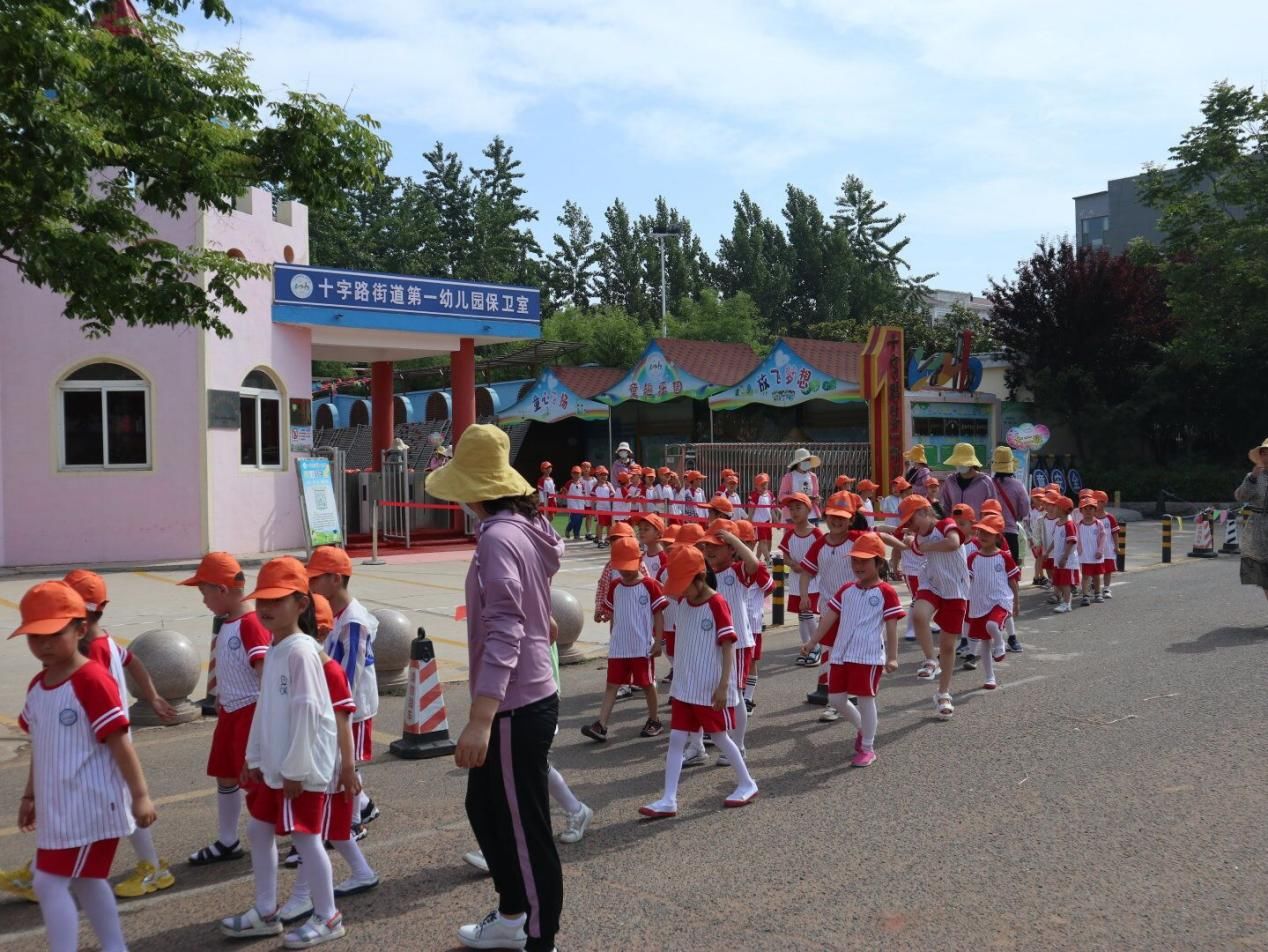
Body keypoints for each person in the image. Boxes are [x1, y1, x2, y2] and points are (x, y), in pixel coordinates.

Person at [424, 423, 565, 952]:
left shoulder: (500, 538)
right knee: (485, 808)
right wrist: (542, 616)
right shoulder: (522, 527)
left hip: (514, 703)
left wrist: (481, 718)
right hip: (527, 691)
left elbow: (505, 623)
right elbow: (534, 592)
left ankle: (537, 936)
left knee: (526, 832)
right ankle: (511, 914)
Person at [15, 580, 157, 952]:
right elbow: (40, 744)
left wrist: (140, 796)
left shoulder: (92, 680)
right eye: (34, 636)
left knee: (47, 882)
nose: (43, 644)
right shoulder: (38, 685)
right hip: (60, 807)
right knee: (86, 880)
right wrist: (30, 794)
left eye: (52, 634)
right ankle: (114, 947)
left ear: (80, 629)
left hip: (90, 805)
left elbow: (120, 743)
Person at [220, 557, 343, 947]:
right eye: (262, 601)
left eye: (277, 600)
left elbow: (308, 712)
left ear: (301, 604)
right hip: (277, 766)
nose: (266, 609)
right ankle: (267, 910)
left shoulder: (300, 651)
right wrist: (253, 758)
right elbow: (265, 709)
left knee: (306, 838)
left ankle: (328, 917)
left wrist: (295, 768)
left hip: (299, 769)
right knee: (258, 830)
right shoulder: (276, 650)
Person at [62, 570, 176, 900]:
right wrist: (152, 695)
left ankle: (153, 867)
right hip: (110, 739)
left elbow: (92, 695)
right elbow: (134, 661)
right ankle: (48, 867)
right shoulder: (106, 641)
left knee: (116, 806)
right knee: (108, 805)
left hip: (105, 743)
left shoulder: (92, 651)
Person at [277, 592, 378, 925]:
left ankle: (304, 898)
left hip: (329, 764)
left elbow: (342, 722)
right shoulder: (310, 664)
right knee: (330, 830)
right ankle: (362, 872)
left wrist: (348, 769)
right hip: (327, 762)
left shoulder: (328, 671)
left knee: (312, 832)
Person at [639, 546, 759, 818]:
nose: (680, 591)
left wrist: (723, 685)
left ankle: (747, 782)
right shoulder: (683, 604)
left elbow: (728, 646)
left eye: (684, 584)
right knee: (677, 740)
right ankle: (668, 798)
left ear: (699, 577)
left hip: (708, 687)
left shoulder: (717, 604)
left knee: (720, 738)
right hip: (684, 685)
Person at [179, 552, 270, 867]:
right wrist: (220, 696)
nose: (203, 600)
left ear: (222, 589)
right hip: (231, 713)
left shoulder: (251, 624)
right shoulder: (228, 624)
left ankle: (281, 837)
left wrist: (260, 731)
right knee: (225, 775)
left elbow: (265, 677)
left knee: (258, 782)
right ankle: (228, 840)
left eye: (204, 592)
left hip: (250, 714)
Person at [799, 533, 903, 766]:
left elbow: (892, 626)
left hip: (868, 656)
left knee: (866, 700)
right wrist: (813, 641)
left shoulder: (886, 592)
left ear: (879, 562)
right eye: (855, 560)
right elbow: (828, 619)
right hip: (841, 654)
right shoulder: (846, 589)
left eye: (864, 561)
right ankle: (862, 728)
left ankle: (868, 747)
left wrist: (893, 657)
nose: (858, 566)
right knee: (836, 699)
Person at [306, 546, 380, 847]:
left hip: (352, 707)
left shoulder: (353, 621)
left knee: (342, 764)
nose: (310, 585)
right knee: (340, 761)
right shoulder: (334, 615)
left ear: (335, 579)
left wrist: (336, 705)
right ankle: (363, 806)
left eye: (316, 578)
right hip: (339, 705)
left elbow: (351, 673)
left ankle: (352, 824)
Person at [878, 495, 968, 719]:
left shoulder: (946, 524)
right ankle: (930, 659)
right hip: (932, 583)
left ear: (926, 511)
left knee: (948, 646)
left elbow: (954, 543)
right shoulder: (917, 536)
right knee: (918, 614)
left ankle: (943, 693)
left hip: (956, 589)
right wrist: (884, 534)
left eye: (912, 520)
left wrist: (924, 546)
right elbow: (902, 542)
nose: (910, 526)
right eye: (906, 523)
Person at [582, 537, 666, 742]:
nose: (625, 572)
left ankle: (654, 719)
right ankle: (601, 724)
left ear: (639, 561)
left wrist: (658, 640)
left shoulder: (650, 585)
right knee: (612, 684)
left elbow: (658, 614)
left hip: (640, 647)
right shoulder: (616, 586)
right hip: (619, 647)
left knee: (647, 684)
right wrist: (603, 615)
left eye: (629, 566)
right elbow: (612, 611)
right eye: (621, 568)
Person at [698, 519, 764, 759]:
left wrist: (734, 539)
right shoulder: (706, 574)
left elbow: (754, 563)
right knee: (712, 690)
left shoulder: (737, 571)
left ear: (731, 549)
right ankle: (711, 741)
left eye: (717, 545)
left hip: (737, 643)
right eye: (708, 546)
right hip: (712, 642)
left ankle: (739, 746)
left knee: (734, 694)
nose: (711, 550)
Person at [798, 493, 864, 722]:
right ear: (826, 516)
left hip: (856, 606)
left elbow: (878, 548)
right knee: (829, 652)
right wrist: (805, 594)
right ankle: (832, 700)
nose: (837, 521)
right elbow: (806, 571)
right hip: (828, 607)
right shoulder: (820, 543)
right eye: (833, 516)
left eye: (842, 518)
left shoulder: (857, 539)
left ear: (851, 520)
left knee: (851, 651)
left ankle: (853, 693)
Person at [965, 515, 1020, 690]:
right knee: (984, 642)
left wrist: (1016, 603)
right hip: (979, 603)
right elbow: (966, 581)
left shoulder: (1004, 557)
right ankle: (990, 677)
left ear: (998, 536)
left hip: (1001, 600)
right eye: (980, 531)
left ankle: (1000, 642)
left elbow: (1013, 581)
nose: (982, 535)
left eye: (988, 533)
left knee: (991, 626)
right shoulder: (972, 558)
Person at [779, 493, 825, 664]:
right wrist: (793, 564)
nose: (794, 512)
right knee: (802, 615)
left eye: (798, 508)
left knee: (808, 613)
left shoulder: (816, 533)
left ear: (809, 509)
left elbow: (823, 554)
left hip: (813, 581)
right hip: (796, 581)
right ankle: (806, 648)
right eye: (791, 509)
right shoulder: (789, 535)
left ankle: (815, 647)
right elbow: (785, 556)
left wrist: (810, 567)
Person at [989, 446, 1031, 563]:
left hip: (989, 532)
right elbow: (1024, 511)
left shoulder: (987, 484)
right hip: (1010, 533)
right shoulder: (1018, 486)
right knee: (1010, 571)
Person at [938, 443, 1000, 516]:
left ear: (972, 463)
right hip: (955, 526)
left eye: (964, 462)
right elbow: (945, 507)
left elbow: (993, 510)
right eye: (958, 462)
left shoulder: (986, 482)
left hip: (978, 526)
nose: (960, 464)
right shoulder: (950, 481)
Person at [1050, 495, 1080, 613]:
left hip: (1067, 560)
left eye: (1056, 507)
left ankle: (1067, 604)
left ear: (1062, 509)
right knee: (1060, 582)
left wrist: (1065, 557)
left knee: (1065, 583)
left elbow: (1071, 541)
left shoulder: (1069, 524)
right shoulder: (1058, 523)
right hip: (1058, 559)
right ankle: (1065, 601)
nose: (1054, 510)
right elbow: (1055, 540)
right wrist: (1047, 552)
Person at [1077, 499, 1107, 605]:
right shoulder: (1078, 525)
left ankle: (1098, 593)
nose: (1088, 511)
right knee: (1085, 576)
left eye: (1091, 508)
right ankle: (1085, 595)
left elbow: (1103, 537)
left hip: (1096, 556)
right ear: (1081, 511)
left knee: (1096, 576)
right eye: (1085, 509)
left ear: (1095, 510)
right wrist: (1078, 551)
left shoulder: (1099, 524)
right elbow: (1077, 540)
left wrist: (1100, 550)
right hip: (1084, 556)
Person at [780, 448, 822, 521]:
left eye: (808, 460)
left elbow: (816, 494)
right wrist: (796, 497)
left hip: (811, 515)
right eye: (804, 460)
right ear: (798, 462)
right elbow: (781, 497)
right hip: (793, 516)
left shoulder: (813, 477)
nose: (807, 462)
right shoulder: (789, 477)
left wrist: (816, 498)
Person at [1093, 490, 1119, 599]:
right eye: (1096, 501)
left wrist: (1117, 546)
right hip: (1094, 549)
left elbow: (1115, 532)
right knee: (1095, 569)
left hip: (1108, 548)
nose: (1098, 504)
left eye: (1100, 501)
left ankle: (1107, 588)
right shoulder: (1090, 518)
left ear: (1105, 503)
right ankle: (1095, 587)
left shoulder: (1110, 518)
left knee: (1108, 569)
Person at [748, 474, 775, 563]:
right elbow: (751, 510)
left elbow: (772, 509)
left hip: (767, 522)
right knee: (761, 542)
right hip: (758, 523)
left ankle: (756, 559)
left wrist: (776, 520)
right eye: (761, 484)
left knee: (767, 542)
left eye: (765, 483)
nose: (764, 486)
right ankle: (768, 559)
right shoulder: (755, 495)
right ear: (756, 486)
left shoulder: (770, 494)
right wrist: (749, 521)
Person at [592, 466, 615, 547]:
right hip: (599, 509)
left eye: (605, 475)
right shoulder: (595, 487)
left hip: (608, 509)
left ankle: (607, 539)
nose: (603, 477)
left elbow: (613, 496)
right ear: (597, 476)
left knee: (609, 525)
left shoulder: (609, 485)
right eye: (601, 475)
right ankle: (600, 540)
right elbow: (592, 499)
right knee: (600, 524)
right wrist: (593, 511)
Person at [562, 466, 587, 541]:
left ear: (580, 474)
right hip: (572, 505)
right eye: (574, 473)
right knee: (575, 519)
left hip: (581, 505)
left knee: (579, 521)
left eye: (578, 473)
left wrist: (585, 503)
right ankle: (568, 529)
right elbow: (564, 492)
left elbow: (583, 494)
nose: (576, 475)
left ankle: (577, 535)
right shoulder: (569, 483)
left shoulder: (582, 484)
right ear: (571, 474)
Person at [579, 461, 597, 541]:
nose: (586, 469)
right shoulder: (580, 479)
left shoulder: (594, 480)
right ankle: (576, 532)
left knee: (589, 517)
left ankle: (588, 532)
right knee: (578, 517)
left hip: (591, 502)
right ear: (581, 469)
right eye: (584, 467)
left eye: (588, 467)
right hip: (581, 501)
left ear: (590, 469)